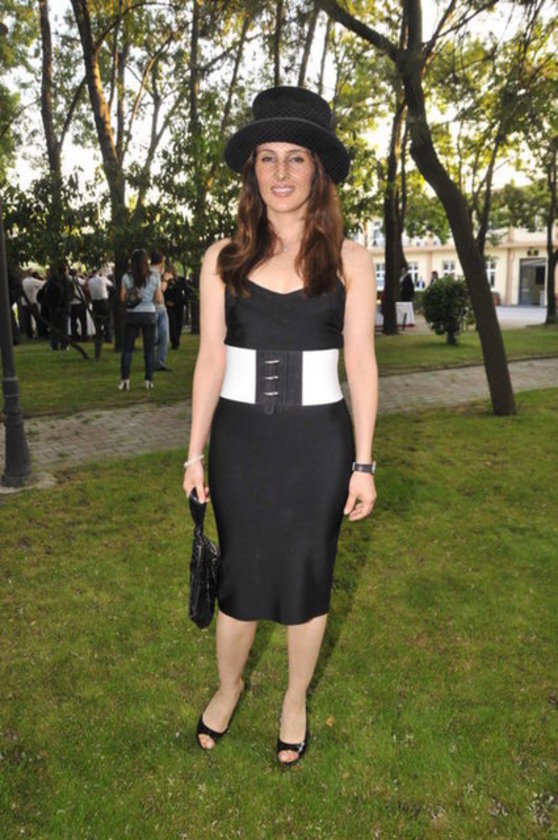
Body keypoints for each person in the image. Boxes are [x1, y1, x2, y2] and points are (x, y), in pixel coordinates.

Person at [183, 86, 378, 766]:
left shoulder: (350, 260)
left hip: (318, 449)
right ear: (253, 171)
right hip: (241, 446)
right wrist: (194, 454)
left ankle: (295, 699)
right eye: (267, 158)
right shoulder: (221, 257)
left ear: (317, 170)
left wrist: (363, 464)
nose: (281, 172)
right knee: (239, 577)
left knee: (306, 576)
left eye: (296, 158)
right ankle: (228, 687)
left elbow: (361, 364)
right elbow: (210, 360)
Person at [118, 249, 162, 390]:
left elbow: (123, 298)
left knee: (127, 349)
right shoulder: (154, 277)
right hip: (149, 314)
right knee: (149, 350)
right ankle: (148, 380)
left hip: (132, 315)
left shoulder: (126, 277)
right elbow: (159, 299)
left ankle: (125, 380)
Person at [150, 251, 171, 371]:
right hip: (156, 308)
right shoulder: (154, 274)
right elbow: (161, 291)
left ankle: (156, 362)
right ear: (161, 261)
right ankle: (157, 361)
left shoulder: (151, 272)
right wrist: (166, 279)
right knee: (160, 337)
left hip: (158, 308)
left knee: (160, 336)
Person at [88, 268, 113, 344]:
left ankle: (98, 336)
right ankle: (108, 337)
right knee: (107, 319)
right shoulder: (102, 279)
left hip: (95, 302)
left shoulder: (90, 281)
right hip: (103, 301)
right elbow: (111, 284)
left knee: (97, 320)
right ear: (98, 272)